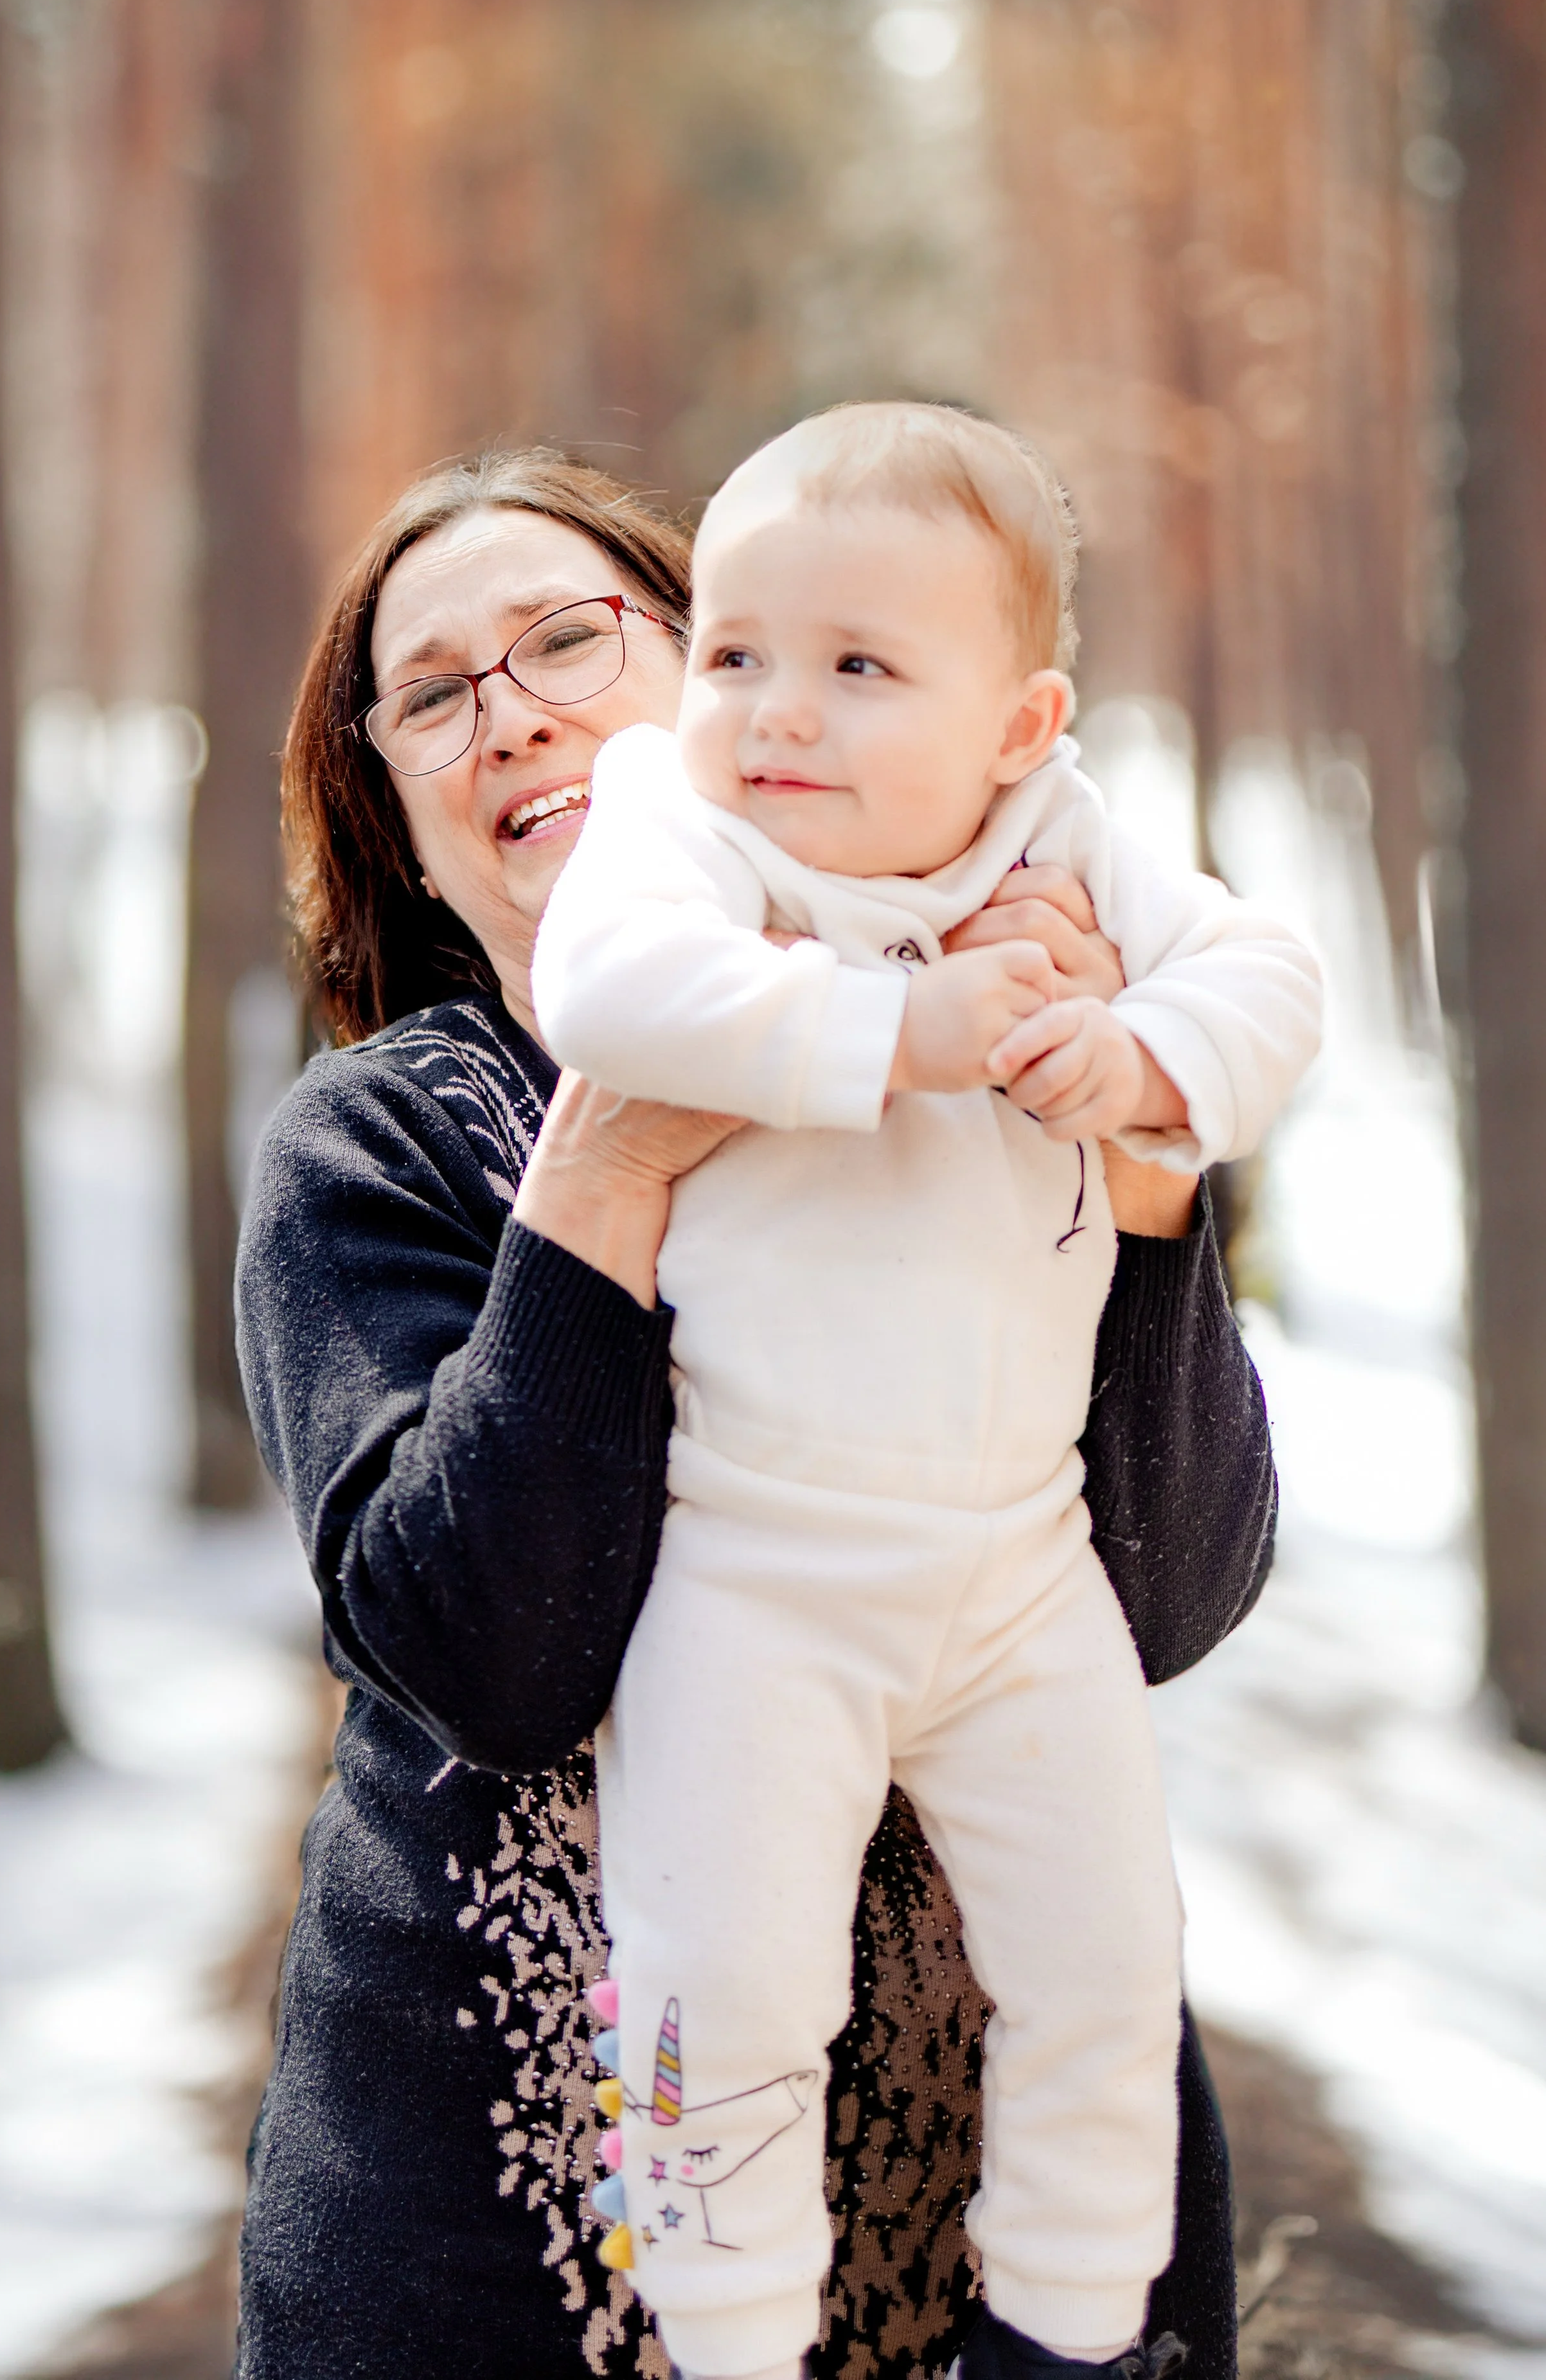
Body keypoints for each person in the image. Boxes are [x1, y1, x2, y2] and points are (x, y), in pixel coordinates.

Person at [235, 445, 1278, 2380]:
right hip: (497, 2257)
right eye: (437, 694)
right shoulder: (374, 1146)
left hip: (1005, 2218)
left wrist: (1130, 1151)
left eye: (572, 636)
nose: (515, 711)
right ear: (396, 813)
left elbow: (1175, 1588)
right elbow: (491, 1655)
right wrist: (610, 1164)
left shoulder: (1014, 1001)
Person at [529, 406, 1319, 2380]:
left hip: (1016, 1557)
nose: (774, 710)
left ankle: (1061, 2326)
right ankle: (721, 2343)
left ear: (1020, 720)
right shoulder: (681, 833)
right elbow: (607, 997)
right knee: (718, 1988)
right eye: (732, 651)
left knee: (1105, 1966)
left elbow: (1273, 986)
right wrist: (903, 1026)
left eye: (860, 665)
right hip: (755, 1565)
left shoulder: (1068, 843)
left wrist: (1135, 1061)